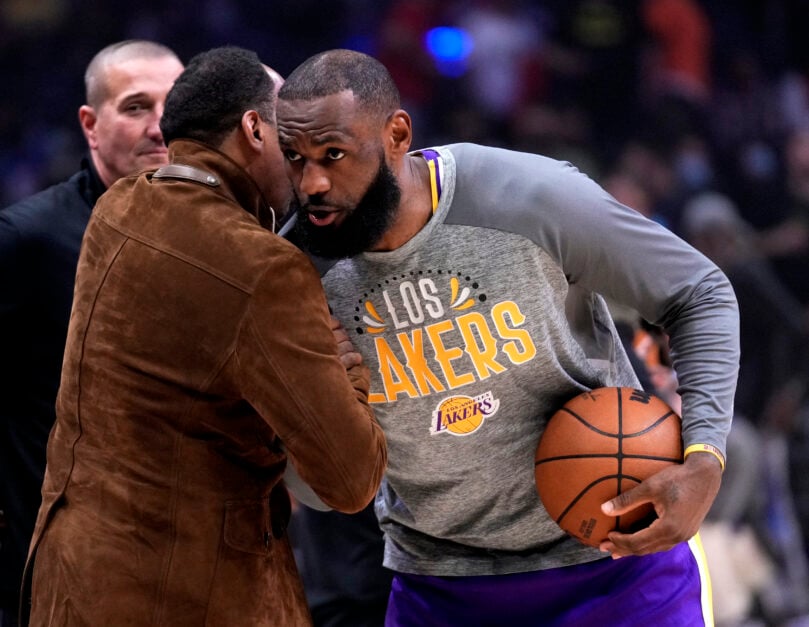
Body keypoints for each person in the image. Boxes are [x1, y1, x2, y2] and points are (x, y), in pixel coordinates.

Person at [277, 49, 739, 625]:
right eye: (293, 159)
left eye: (334, 155)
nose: (312, 182)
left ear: (397, 134)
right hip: (440, 586)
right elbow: (322, 495)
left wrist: (705, 459)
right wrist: (321, 410)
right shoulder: (293, 269)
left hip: (616, 557)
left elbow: (699, 292)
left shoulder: (530, 196)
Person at [23, 46, 386, 626]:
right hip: (191, 593)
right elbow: (350, 481)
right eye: (288, 140)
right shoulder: (261, 266)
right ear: (252, 128)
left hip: (69, 577)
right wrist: (348, 369)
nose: (300, 168)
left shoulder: (117, 207)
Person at [0, 39, 184, 627]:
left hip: (190, 573)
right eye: (136, 107)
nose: (160, 127)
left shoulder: (226, 236)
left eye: (174, 106)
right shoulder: (25, 239)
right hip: (64, 581)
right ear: (90, 124)